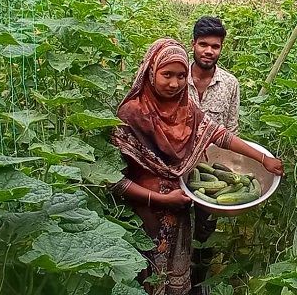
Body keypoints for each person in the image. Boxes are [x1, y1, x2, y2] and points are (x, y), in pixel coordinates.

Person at [110, 38, 283, 295]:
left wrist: (262, 159)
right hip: (143, 215)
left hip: (179, 207)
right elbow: (113, 179)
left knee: (173, 276)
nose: (174, 83)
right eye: (166, 74)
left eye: (181, 76)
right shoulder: (131, 114)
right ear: (150, 71)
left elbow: (219, 135)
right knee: (143, 278)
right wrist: (159, 198)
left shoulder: (186, 109)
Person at [187, 17, 240, 294]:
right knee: (177, 227)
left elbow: (230, 130)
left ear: (221, 48)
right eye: (203, 44)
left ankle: (199, 283)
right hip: (176, 168)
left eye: (215, 46)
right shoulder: (175, 76)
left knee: (205, 232)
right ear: (193, 44)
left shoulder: (230, 84)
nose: (209, 51)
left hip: (209, 171)